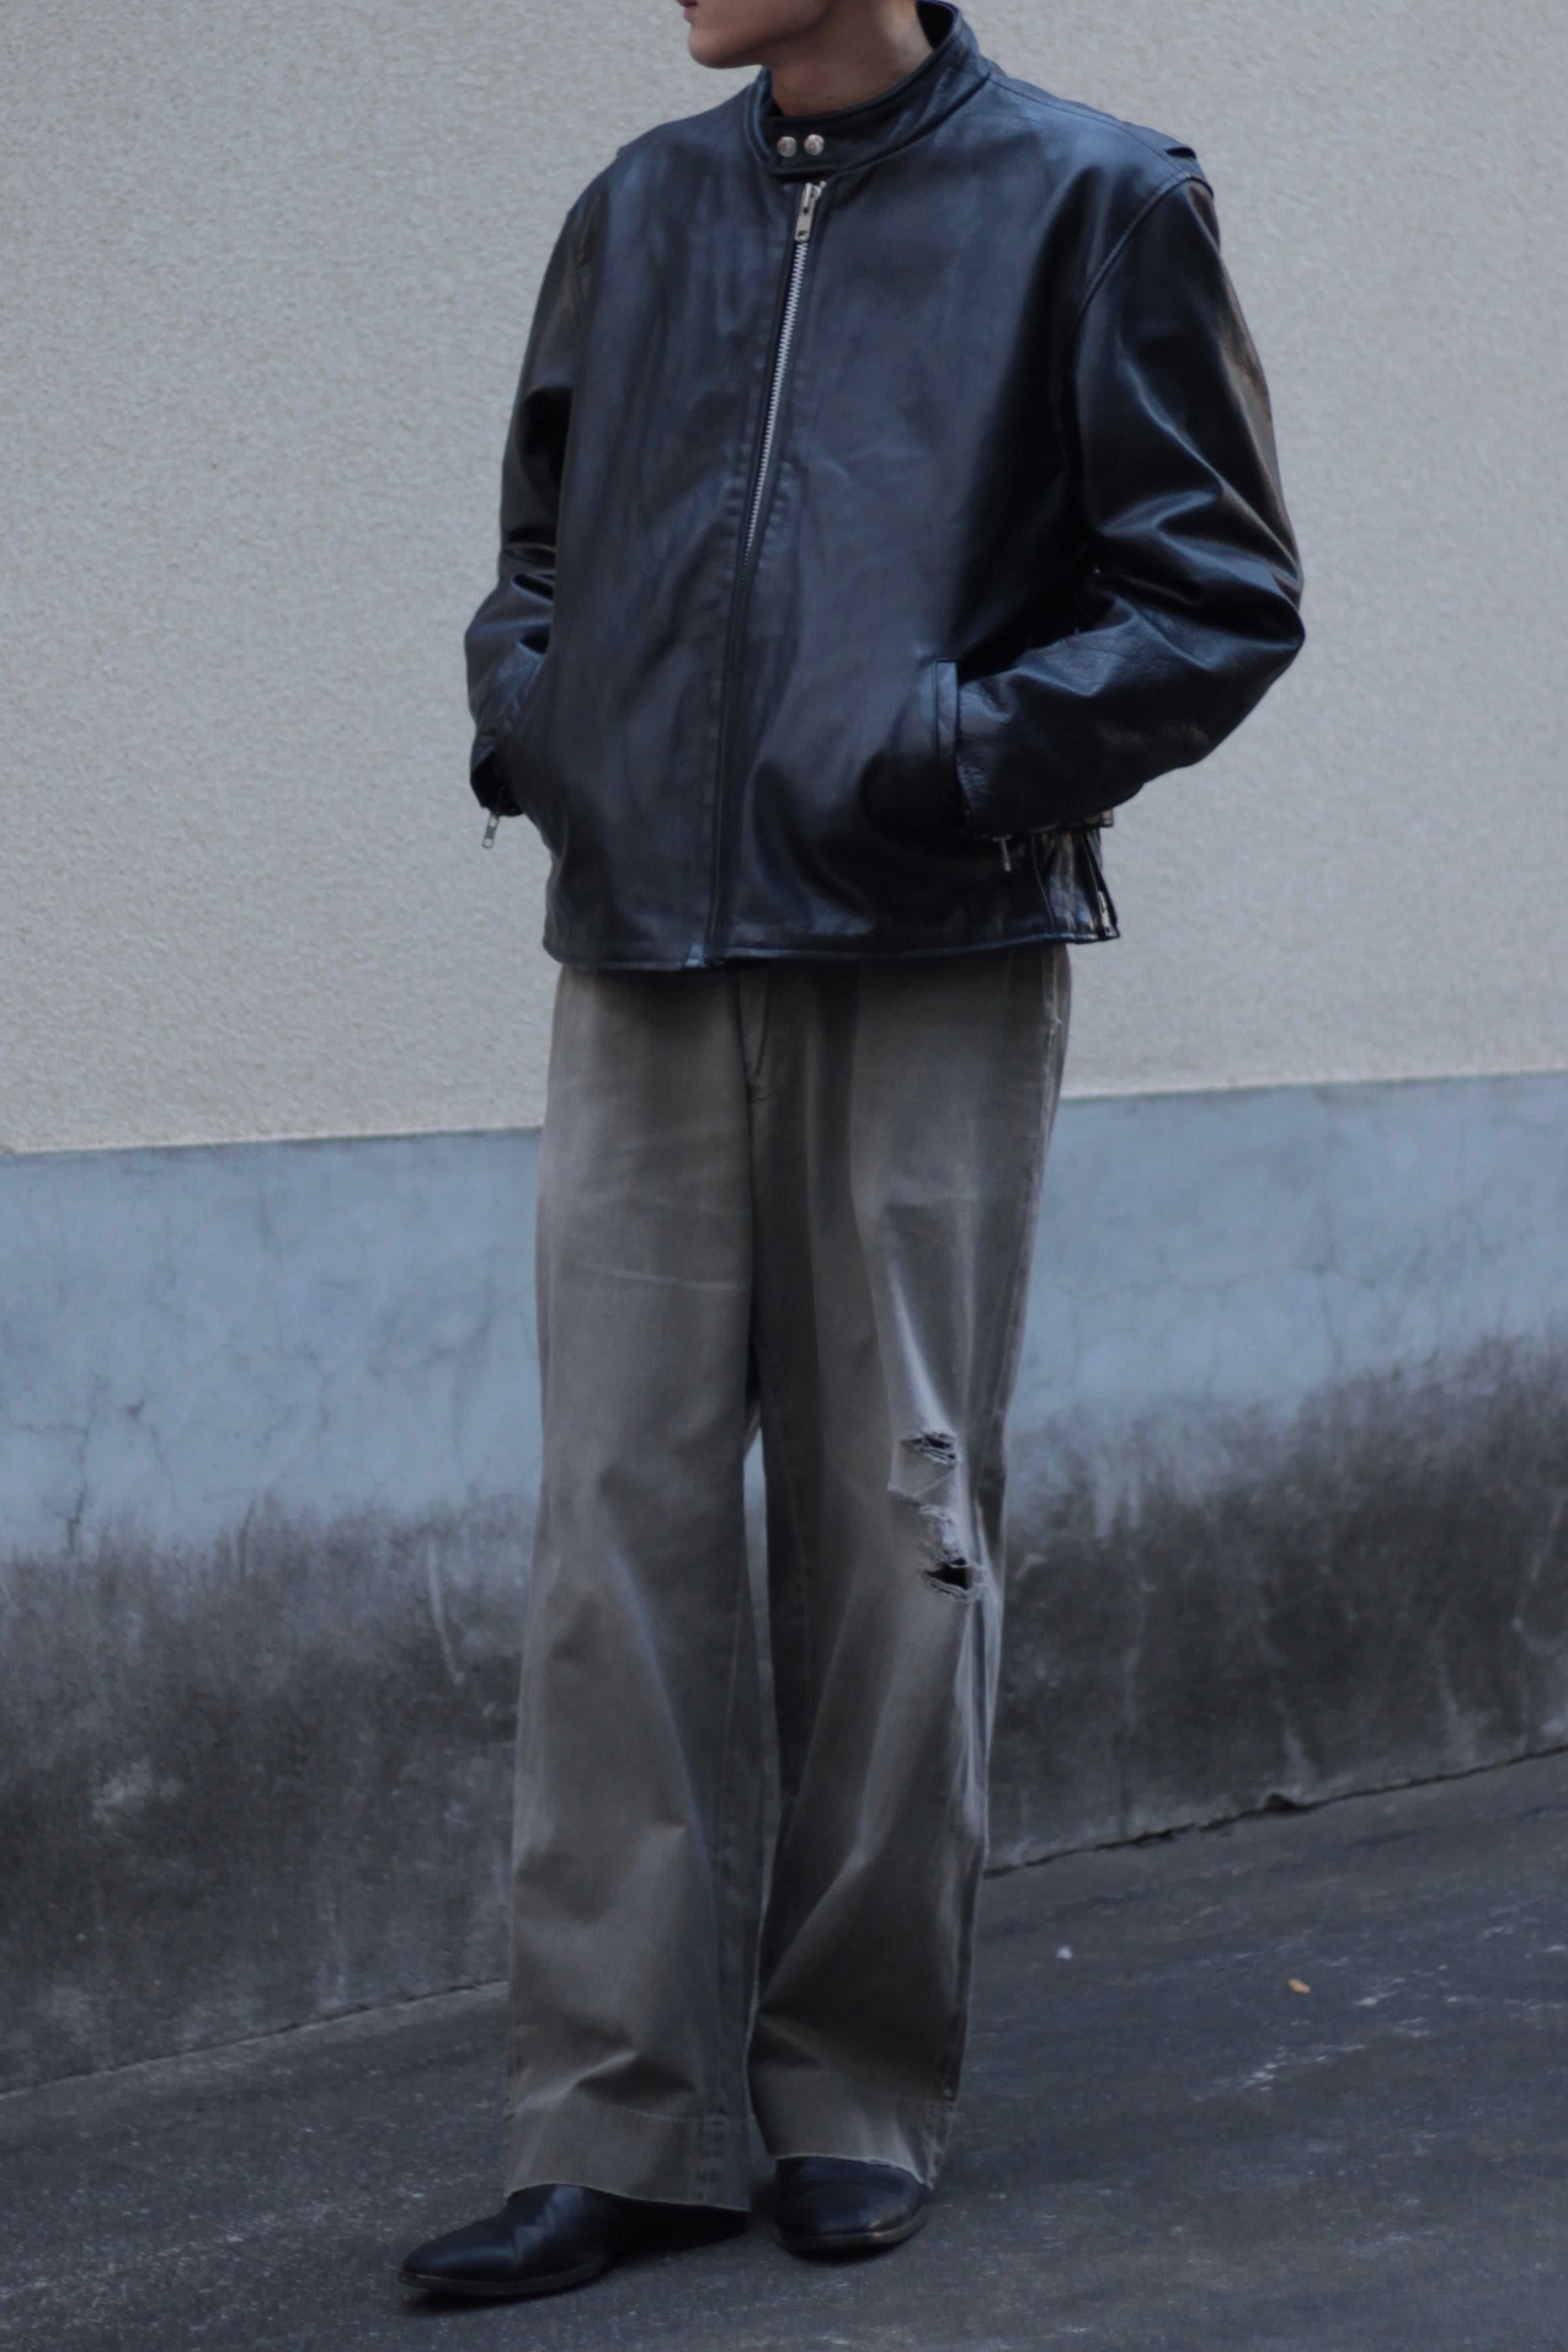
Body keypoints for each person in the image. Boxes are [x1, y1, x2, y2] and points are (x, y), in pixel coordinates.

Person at [401, 0, 1301, 2303]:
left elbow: (1213, 597)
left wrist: (941, 760)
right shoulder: (640, 211)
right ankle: (616, 2122)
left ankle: (850, 2087)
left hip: (921, 941)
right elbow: (536, 554)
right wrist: (548, 736)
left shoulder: (1099, 202)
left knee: (898, 1520)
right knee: (611, 1532)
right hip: (639, 948)